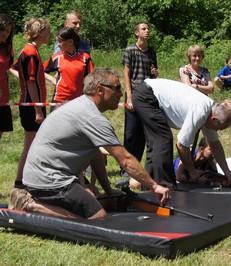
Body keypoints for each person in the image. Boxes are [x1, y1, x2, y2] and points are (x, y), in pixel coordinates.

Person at [9, 68, 170, 219]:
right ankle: (30, 205)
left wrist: (108, 190)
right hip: (49, 181)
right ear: (100, 89)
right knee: (97, 216)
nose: (121, 94)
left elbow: (95, 154)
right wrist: (154, 186)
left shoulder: (82, 106)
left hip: (45, 177)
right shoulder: (92, 117)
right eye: (117, 88)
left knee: (96, 201)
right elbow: (125, 160)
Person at [133, 78, 231, 187]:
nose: (216, 131)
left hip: (146, 92)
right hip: (147, 94)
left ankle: (149, 186)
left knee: (157, 143)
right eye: (218, 128)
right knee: (163, 140)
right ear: (214, 119)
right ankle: (165, 186)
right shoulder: (201, 111)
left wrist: (226, 171)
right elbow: (181, 145)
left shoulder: (210, 112)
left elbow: (215, 144)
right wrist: (192, 172)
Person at [12, 18, 51, 188]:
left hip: (33, 104)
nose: (50, 34)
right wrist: (38, 110)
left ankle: (27, 180)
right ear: (40, 32)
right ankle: (20, 182)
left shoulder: (30, 51)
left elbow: (14, 68)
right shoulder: (30, 53)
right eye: (47, 31)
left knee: (35, 145)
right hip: (32, 106)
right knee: (30, 145)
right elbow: (30, 82)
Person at [122, 22, 158, 167]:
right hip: (134, 92)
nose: (147, 31)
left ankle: (137, 165)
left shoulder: (152, 51)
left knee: (143, 132)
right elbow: (126, 74)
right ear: (137, 33)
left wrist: (155, 73)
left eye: (148, 28)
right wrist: (129, 97)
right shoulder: (129, 50)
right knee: (130, 132)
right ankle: (126, 166)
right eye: (144, 29)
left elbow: (154, 74)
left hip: (147, 93)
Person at [45, 27, 94, 105]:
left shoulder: (86, 57)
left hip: (79, 101)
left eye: (60, 41)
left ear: (70, 42)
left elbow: (92, 78)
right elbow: (39, 70)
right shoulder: (57, 57)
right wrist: (51, 79)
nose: (58, 44)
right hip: (59, 101)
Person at [0, 14, 14, 140]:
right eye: (3, 30)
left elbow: (8, 69)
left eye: (8, 31)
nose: (5, 33)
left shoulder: (7, 48)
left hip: (3, 98)